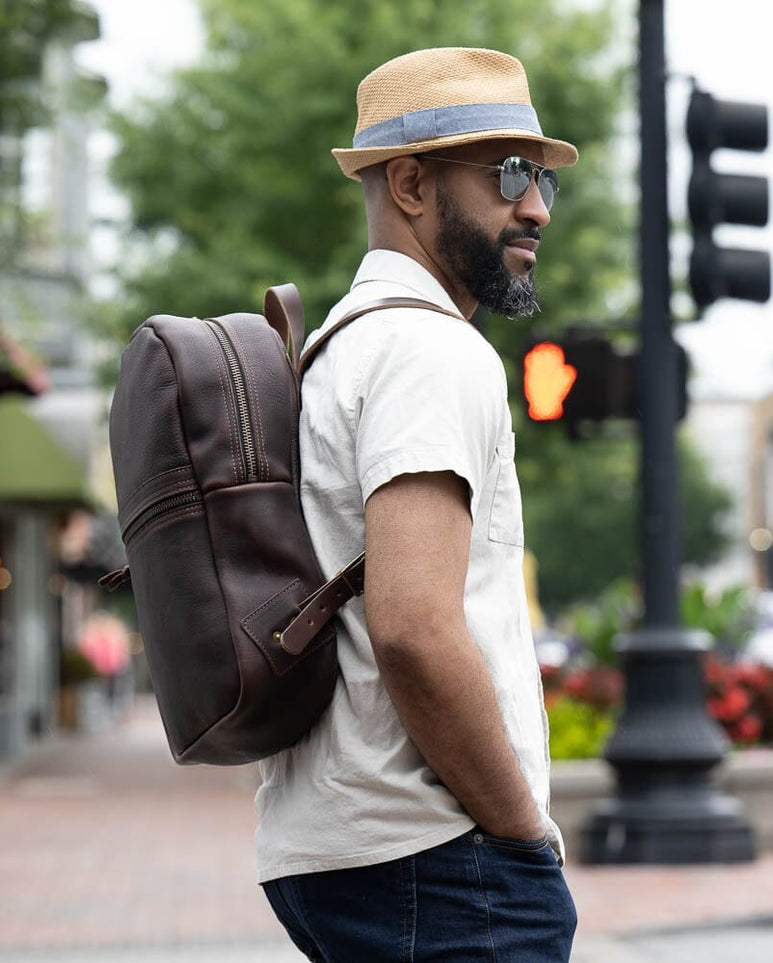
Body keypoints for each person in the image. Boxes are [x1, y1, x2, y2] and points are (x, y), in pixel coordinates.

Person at [255, 48, 579, 959]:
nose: (535, 208)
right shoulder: (430, 353)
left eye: (544, 179)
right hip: (439, 854)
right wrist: (521, 835)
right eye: (510, 173)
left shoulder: (336, 347)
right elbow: (413, 626)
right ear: (408, 183)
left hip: (350, 843)